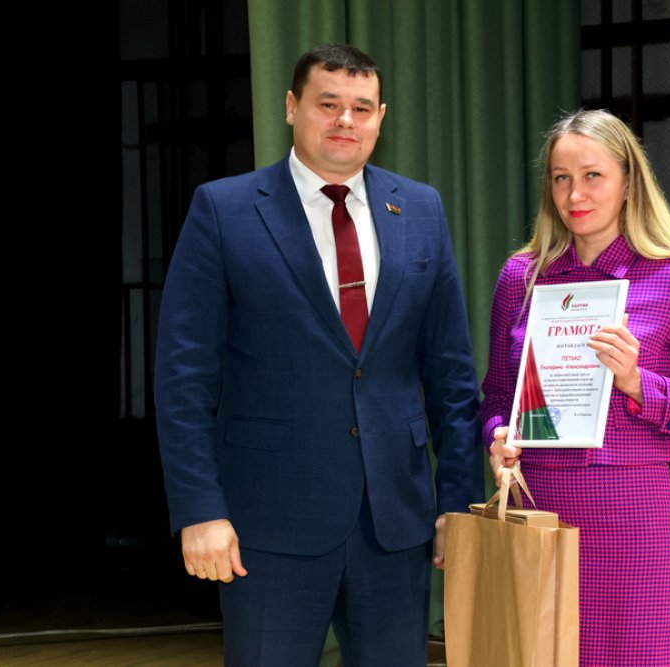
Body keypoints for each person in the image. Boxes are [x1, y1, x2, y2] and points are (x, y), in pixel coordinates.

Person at [154, 43, 482, 666]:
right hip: (267, 525)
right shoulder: (223, 209)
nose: (345, 121)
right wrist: (199, 510)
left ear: (381, 117)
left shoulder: (421, 209)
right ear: (290, 106)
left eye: (361, 107)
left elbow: (452, 378)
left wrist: (457, 504)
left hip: (396, 523)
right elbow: (183, 379)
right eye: (327, 104)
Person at [480, 109, 670, 666]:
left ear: (628, 181)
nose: (575, 194)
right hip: (537, 508)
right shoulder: (521, 277)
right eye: (561, 177)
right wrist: (498, 436)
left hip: (631, 521)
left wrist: (638, 382)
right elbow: (498, 397)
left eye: (593, 175)